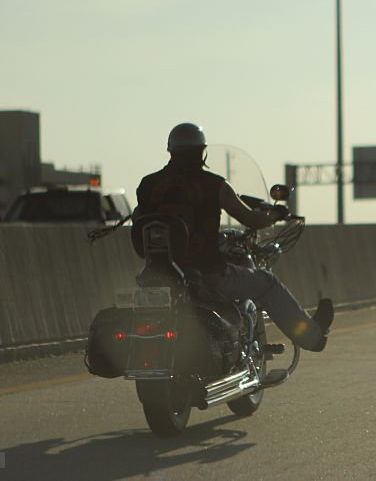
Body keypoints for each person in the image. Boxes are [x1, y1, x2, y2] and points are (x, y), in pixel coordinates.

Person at [135, 122, 332, 351]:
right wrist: (274, 215)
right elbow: (250, 219)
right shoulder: (214, 185)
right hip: (209, 274)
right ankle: (311, 337)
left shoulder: (147, 185)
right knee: (267, 283)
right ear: (202, 151)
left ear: (171, 150)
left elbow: (141, 221)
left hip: (162, 274)